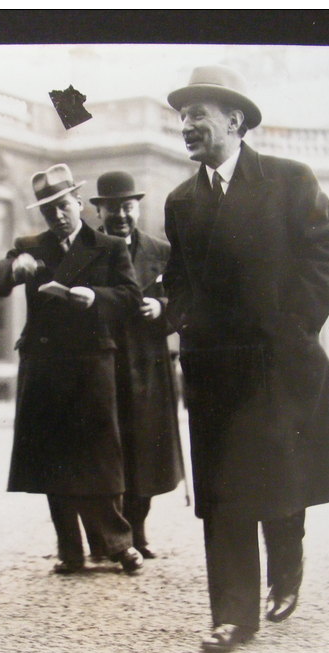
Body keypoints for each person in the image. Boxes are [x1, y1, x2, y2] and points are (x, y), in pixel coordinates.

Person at [162, 66, 329, 653]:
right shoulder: (180, 201)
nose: (187, 125)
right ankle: (233, 616)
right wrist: (174, 318)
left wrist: (293, 326)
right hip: (213, 368)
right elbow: (180, 281)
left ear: (234, 121)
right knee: (222, 494)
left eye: (198, 114)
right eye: (183, 115)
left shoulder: (290, 180)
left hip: (278, 363)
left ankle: (286, 567)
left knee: (279, 482)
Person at [0, 164, 145, 575]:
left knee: (100, 457)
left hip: (92, 362)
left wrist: (96, 298)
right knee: (54, 459)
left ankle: (117, 544)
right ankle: (69, 550)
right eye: (48, 210)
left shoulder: (107, 246)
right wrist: (13, 269)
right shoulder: (30, 245)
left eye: (62, 205)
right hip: (46, 364)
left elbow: (129, 295)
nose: (57, 216)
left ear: (77, 201)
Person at [89, 171, 186, 560]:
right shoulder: (89, 250)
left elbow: (183, 303)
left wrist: (161, 307)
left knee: (146, 451)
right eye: (113, 208)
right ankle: (108, 538)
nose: (121, 216)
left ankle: (138, 531)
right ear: (100, 211)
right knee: (106, 452)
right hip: (105, 362)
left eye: (128, 207)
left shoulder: (160, 252)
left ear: (137, 208)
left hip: (148, 365)